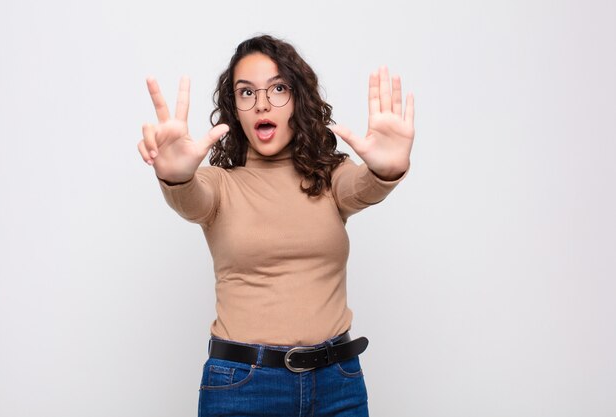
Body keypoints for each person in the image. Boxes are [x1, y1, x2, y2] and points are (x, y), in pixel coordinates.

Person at [137, 35, 415, 417]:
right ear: (235, 108)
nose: (263, 103)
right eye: (246, 93)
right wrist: (175, 177)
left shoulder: (329, 178)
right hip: (243, 388)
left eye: (278, 88)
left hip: (338, 385)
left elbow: (362, 187)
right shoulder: (220, 186)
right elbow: (190, 197)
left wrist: (387, 167)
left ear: (298, 99)